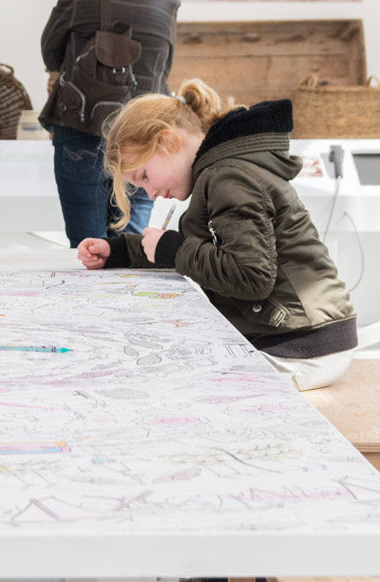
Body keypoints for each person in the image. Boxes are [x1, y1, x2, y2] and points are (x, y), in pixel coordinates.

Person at [76, 79, 356, 391]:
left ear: (168, 141)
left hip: (300, 347)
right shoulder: (218, 174)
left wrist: (172, 248)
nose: (151, 193)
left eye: (144, 176)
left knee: (167, 383)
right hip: (301, 337)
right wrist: (119, 251)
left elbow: (251, 277)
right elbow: (196, 248)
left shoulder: (228, 178)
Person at [39, 0, 180, 248]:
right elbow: (164, 70)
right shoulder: (166, 2)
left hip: (82, 129)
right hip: (144, 140)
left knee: (89, 248)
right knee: (131, 250)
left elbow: (50, 49)